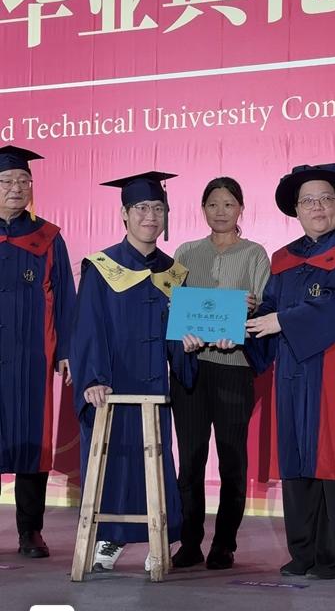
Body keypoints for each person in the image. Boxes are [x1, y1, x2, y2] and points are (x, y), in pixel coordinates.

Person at [246, 164, 335, 579]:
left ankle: (332, 557)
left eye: (325, 199)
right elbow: (270, 307)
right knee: (296, 460)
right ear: (296, 210)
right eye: (308, 201)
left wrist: (281, 321)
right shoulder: (283, 259)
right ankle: (302, 552)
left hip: (334, 375)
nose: (317, 207)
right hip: (292, 375)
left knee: (333, 461)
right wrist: (242, 324)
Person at [70, 171, 201, 572]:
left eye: (158, 208)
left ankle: (157, 539)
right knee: (114, 459)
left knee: (154, 461)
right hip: (113, 384)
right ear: (124, 214)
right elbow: (88, 325)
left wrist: (187, 346)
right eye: (141, 208)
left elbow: (176, 336)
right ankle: (109, 537)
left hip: (154, 386)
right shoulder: (102, 266)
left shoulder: (174, 273)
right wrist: (93, 378)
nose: (150, 216)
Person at [170, 176, 271, 570]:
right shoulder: (186, 252)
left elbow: (265, 308)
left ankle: (224, 544)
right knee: (190, 460)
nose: (221, 211)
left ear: (241, 208)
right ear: (203, 209)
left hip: (234, 367)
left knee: (232, 460)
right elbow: (174, 306)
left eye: (229, 204)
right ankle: (189, 542)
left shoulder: (255, 254)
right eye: (213, 204)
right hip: (192, 369)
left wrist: (250, 309)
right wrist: (182, 330)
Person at [0, 145, 75, 558]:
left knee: (32, 440)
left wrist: (66, 349)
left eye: (23, 181)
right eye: (7, 181)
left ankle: (30, 531)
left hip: (32, 356)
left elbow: (65, 296)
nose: (16, 187)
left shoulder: (47, 237)